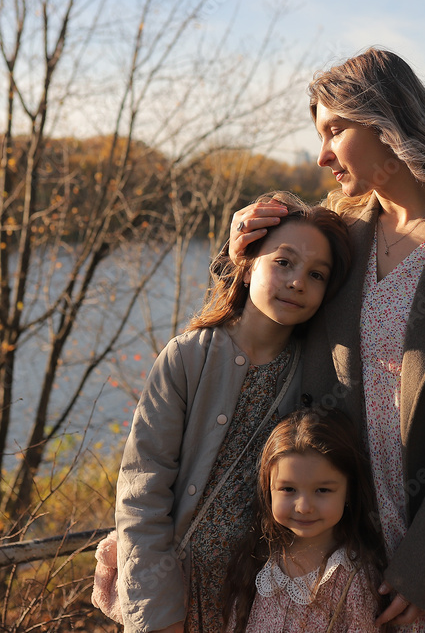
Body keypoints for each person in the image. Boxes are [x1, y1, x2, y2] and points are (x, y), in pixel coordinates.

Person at [227, 48, 425, 632]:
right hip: (334, 546)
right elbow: (256, 330)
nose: (321, 155)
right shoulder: (336, 243)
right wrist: (242, 246)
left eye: (334, 130)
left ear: (386, 122)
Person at [109, 191, 351, 633]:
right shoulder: (188, 358)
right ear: (247, 261)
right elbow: (142, 492)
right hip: (175, 591)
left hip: (262, 601)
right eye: (284, 262)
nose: (298, 281)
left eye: (317, 274)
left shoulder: (319, 377)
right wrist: (157, 615)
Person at [222, 406, 386, 632]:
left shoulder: (353, 578)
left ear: (348, 491)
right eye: (288, 489)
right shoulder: (258, 560)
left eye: (322, 490)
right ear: (268, 490)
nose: (304, 507)